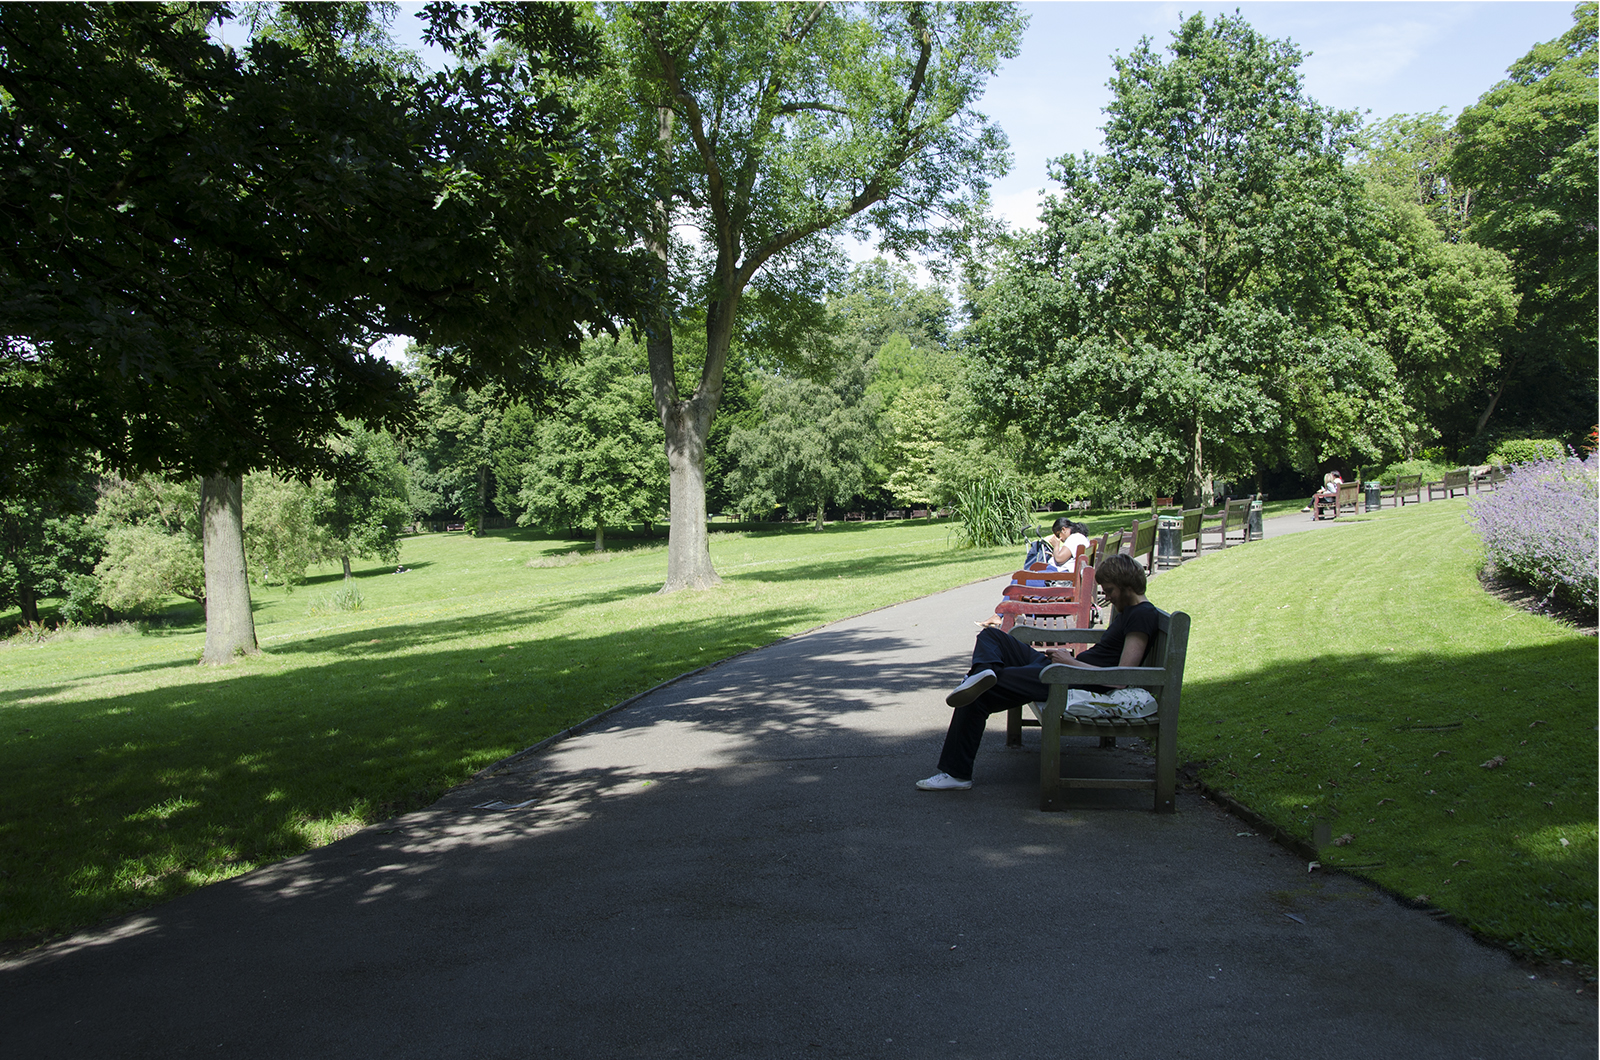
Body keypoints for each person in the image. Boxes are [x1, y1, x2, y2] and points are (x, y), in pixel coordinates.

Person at [918, 552, 1160, 791]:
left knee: (977, 692)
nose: (1106, 597)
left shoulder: (1142, 616)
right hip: (1066, 669)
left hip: (1074, 678)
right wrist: (1065, 661)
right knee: (992, 636)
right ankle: (982, 672)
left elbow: (1121, 678)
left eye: (1109, 590)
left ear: (1127, 586)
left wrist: (1069, 663)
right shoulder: (1130, 611)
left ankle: (957, 773)